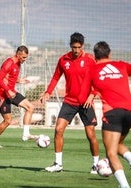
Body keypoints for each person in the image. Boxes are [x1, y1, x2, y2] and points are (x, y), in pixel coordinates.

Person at [78, 41, 131, 187]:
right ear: (110, 54)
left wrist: (92, 93)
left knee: (111, 153)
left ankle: (124, 186)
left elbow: (81, 98)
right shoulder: (121, 65)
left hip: (112, 113)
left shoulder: (92, 70)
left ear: (95, 56)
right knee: (118, 144)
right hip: (130, 112)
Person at [39, 32, 100, 174]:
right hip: (70, 101)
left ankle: (96, 165)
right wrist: (48, 92)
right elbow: (55, 78)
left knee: (90, 134)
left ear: (83, 46)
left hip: (86, 102)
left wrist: (92, 95)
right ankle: (58, 164)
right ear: (70, 46)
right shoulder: (63, 60)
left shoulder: (90, 60)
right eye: (74, 47)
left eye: (79, 47)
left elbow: (97, 80)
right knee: (58, 129)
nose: (76, 50)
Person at [0, 45, 37, 148]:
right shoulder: (9, 63)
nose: (24, 60)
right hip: (2, 95)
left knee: (30, 107)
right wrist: (7, 90)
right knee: (8, 121)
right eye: (23, 57)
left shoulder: (18, 63)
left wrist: (19, 81)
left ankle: (26, 134)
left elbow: (9, 78)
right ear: (18, 54)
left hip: (12, 93)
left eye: (26, 57)